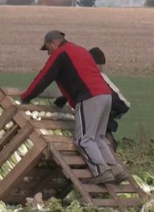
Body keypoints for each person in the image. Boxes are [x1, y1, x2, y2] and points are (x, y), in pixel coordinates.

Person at [20, 30, 126, 184]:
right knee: (98, 137)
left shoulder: (61, 54)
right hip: (105, 95)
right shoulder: (80, 50)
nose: (48, 53)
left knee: (83, 139)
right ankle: (115, 168)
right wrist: (64, 99)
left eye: (48, 48)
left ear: (53, 42)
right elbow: (82, 75)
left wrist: (26, 97)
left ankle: (101, 171)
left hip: (89, 97)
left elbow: (44, 77)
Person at [55, 47, 130, 152]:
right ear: (98, 66)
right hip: (98, 132)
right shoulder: (100, 78)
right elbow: (123, 105)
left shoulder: (78, 77)